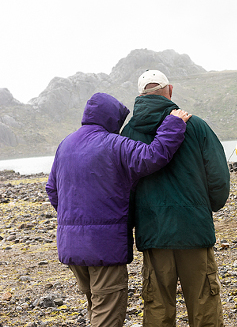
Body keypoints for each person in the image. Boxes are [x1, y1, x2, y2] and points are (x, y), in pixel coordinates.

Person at [45, 92, 191, 327]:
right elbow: (152, 156)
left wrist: (73, 222)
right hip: (104, 249)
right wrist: (173, 125)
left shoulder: (66, 145)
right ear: (111, 119)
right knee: (107, 315)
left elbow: (52, 189)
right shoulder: (114, 144)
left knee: (95, 306)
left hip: (71, 247)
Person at [121, 70, 230, 327]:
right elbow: (218, 176)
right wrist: (209, 206)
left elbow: (124, 186)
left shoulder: (128, 133)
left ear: (140, 95)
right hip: (194, 228)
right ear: (169, 90)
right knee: (204, 301)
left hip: (154, 231)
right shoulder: (195, 125)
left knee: (158, 304)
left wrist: (133, 223)